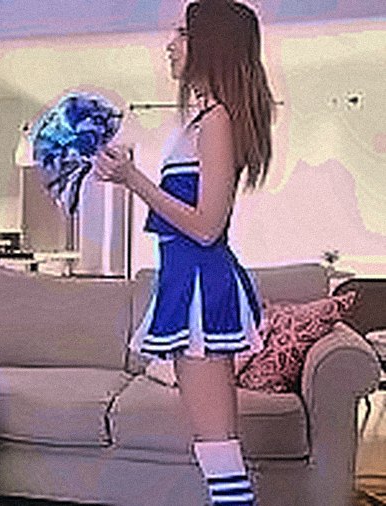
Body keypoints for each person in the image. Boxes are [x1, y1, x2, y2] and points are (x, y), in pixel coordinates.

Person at [93, 1, 273, 505]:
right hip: (187, 281)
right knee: (214, 447)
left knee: (218, 449)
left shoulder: (217, 121)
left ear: (210, 45)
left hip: (200, 286)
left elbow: (207, 227)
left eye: (182, 34)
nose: (171, 45)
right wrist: (130, 178)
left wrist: (134, 180)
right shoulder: (204, 121)